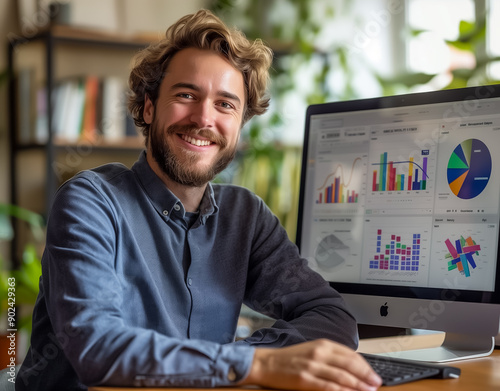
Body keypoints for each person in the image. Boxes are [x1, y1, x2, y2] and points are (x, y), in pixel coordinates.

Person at [16, 9, 382, 391]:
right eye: (186, 95)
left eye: (225, 104)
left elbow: (330, 316)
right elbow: (96, 347)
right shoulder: (90, 201)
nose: (203, 118)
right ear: (148, 107)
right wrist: (255, 363)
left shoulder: (247, 216)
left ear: (240, 125)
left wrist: (253, 358)